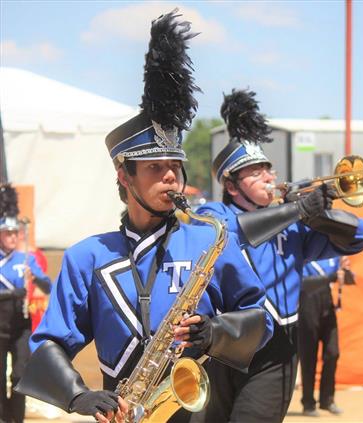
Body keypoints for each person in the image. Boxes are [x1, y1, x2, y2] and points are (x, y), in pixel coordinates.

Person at [15, 12, 274, 423]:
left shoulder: (208, 240)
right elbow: (49, 341)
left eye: (175, 164)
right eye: (156, 167)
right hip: (122, 411)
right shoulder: (87, 256)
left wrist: (217, 332)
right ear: (124, 176)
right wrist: (76, 395)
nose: (171, 175)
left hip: (198, 408)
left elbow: (261, 317)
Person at [189, 89, 363, 423]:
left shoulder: (293, 226)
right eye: (256, 172)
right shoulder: (214, 214)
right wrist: (295, 211)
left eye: (268, 170)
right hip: (220, 343)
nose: (268, 177)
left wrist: (319, 215)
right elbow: (229, 233)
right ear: (232, 186)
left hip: (276, 352)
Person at [0, 184, 52, 423]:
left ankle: (16, 419)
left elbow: (48, 286)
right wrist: (11, 294)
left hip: (21, 324)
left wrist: (38, 278)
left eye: (15, 233)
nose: (12, 237)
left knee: (20, 375)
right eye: (7, 233)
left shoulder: (26, 259)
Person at [298, 256, 354, 417]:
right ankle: (308, 402)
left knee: (333, 353)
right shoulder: (305, 252)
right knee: (309, 356)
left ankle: (327, 400)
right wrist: (332, 276)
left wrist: (345, 272)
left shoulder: (334, 254)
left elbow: (347, 280)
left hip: (327, 303)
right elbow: (303, 283)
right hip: (308, 301)